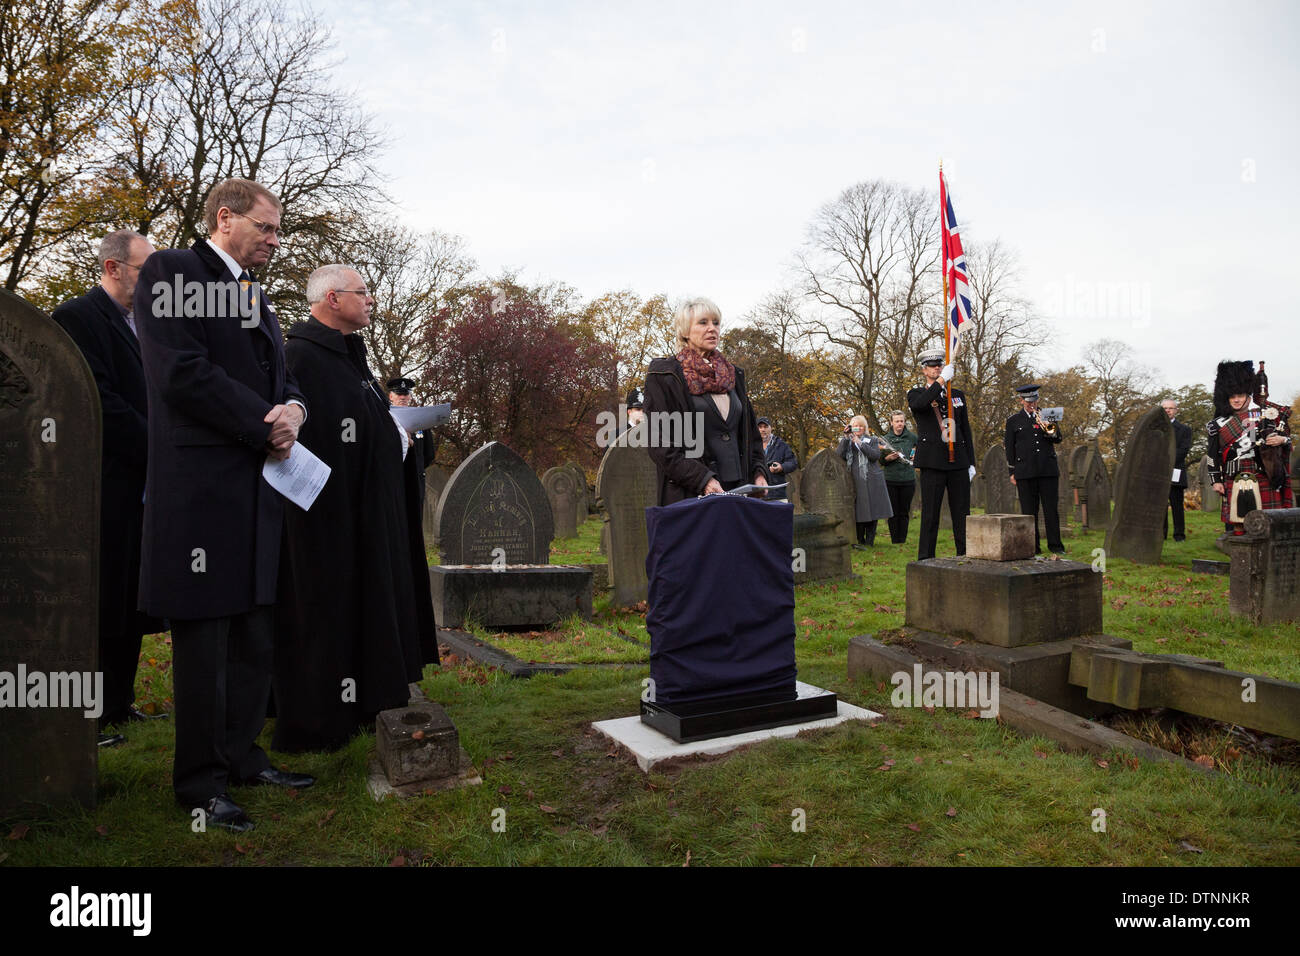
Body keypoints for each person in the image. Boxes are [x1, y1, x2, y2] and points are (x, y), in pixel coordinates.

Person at [135, 178, 314, 833]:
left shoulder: (251, 295)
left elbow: (281, 376)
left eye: (277, 229)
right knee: (205, 643)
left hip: (257, 493)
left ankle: (242, 755)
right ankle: (199, 783)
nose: (274, 238)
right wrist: (263, 421)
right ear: (225, 218)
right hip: (202, 495)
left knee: (251, 635)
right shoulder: (173, 270)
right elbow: (181, 371)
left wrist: (294, 408)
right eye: (265, 227)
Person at [273, 265, 438, 753]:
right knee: (329, 609)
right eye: (362, 293)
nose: (370, 300)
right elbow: (325, 437)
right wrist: (389, 436)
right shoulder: (302, 356)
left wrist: (397, 431)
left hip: (364, 511)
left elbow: (364, 421)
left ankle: (366, 697)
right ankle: (325, 716)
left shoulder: (349, 355)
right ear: (330, 300)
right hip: (328, 518)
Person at [52, 229, 165, 748]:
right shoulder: (76, 319)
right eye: (146, 270)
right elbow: (99, 401)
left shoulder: (147, 324)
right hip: (107, 482)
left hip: (146, 483)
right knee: (100, 599)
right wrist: (162, 445)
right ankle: (89, 716)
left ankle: (118, 705)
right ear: (114, 269)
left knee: (130, 600)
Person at [643, 297, 767, 506]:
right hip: (692, 494)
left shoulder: (733, 376)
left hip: (740, 492)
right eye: (703, 323)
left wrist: (759, 473)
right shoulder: (664, 375)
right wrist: (702, 479)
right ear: (684, 331)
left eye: (716, 323)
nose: (712, 329)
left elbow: (751, 437)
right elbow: (661, 444)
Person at [1207, 360, 1292, 534]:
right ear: (1226, 397)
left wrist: (1281, 441)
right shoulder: (1217, 424)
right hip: (1233, 475)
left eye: (1240, 395)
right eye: (1232, 396)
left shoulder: (1262, 416)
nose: (1236, 400)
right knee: (1238, 525)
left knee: (1265, 523)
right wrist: (1216, 481)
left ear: (1248, 395)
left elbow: (1282, 438)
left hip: (1261, 473)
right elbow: (1212, 454)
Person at [907, 348, 976, 561]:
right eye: (932, 366)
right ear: (924, 370)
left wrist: (971, 462)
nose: (937, 368)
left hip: (958, 462)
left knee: (962, 514)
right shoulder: (916, 393)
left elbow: (965, 430)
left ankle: (965, 554)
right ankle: (926, 558)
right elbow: (921, 405)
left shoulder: (956, 395)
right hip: (933, 462)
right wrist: (941, 381)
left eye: (939, 365)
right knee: (930, 515)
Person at [1004, 384, 1066, 555]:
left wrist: (1049, 427)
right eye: (1028, 401)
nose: (1032, 404)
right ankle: (1033, 547)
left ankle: (1056, 546)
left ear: (1038, 399)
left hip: (1047, 470)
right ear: (1021, 400)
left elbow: (1057, 439)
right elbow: (1009, 448)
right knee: (1029, 512)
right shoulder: (1013, 421)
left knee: (1051, 510)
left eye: (1034, 400)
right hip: (1025, 471)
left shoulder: (1048, 415)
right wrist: (1012, 472)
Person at [837, 415, 892, 547]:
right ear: (851, 427)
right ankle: (859, 539)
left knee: (873, 509)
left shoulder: (872, 439)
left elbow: (874, 456)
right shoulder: (846, 442)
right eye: (856, 425)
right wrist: (846, 438)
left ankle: (870, 540)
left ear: (865, 427)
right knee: (858, 509)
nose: (859, 428)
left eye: (862, 425)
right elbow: (838, 456)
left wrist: (859, 442)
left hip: (872, 478)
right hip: (854, 479)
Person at [387, 375, 437, 505]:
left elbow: (429, 453)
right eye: (398, 394)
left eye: (405, 394)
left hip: (415, 480)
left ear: (410, 396)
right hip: (392, 479)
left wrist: (416, 466)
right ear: (391, 396)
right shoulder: (384, 419)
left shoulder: (420, 420)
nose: (402, 397)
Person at [880, 410, 917, 544]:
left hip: (908, 479)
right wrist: (888, 458)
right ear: (891, 423)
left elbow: (921, 450)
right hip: (890, 480)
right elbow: (880, 461)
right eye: (896, 421)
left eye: (901, 421)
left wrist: (917, 454)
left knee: (904, 511)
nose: (899, 424)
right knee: (893, 512)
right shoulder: (885, 439)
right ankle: (895, 540)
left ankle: (902, 539)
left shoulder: (912, 438)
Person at [1161, 398, 1193, 542]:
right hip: (1157, 473)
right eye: (1165, 408)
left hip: (1175, 471)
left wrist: (1166, 462)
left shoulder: (1185, 430)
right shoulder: (1155, 429)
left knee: (1177, 506)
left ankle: (1179, 535)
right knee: (1160, 506)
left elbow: (1183, 450)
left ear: (1176, 411)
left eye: (1171, 408)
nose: (1168, 410)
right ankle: (1160, 535)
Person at [757, 416, 798, 501]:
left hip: (777, 494)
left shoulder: (781, 445)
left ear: (771, 428)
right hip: (757, 494)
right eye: (760, 427)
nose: (762, 430)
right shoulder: (750, 446)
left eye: (765, 427)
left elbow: (793, 462)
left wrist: (781, 467)